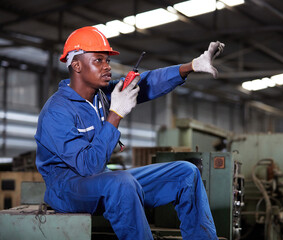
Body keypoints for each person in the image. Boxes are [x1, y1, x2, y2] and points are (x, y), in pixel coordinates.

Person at [35, 26, 225, 240]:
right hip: (67, 189)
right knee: (122, 182)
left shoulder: (102, 96)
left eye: (107, 60)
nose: (107, 67)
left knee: (186, 173)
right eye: (99, 60)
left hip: (102, 180)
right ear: (77, 65)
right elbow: (87, 166)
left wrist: (190, 66)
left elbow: (145, 83)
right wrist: (115, 115)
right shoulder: (57, 111)